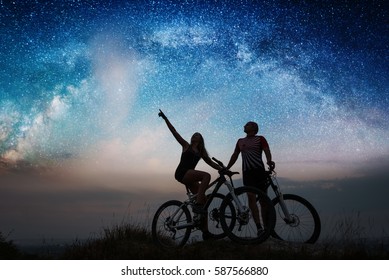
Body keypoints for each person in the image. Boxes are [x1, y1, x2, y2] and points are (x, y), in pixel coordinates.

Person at [158, 109, 222, 239]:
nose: (194, 135)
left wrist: (223, 169)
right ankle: (197, 205)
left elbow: (211, 163)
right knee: (206, 176)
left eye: (197, 134)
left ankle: (205, 232)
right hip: (182, 173)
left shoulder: (201, 152)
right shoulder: (186, 145)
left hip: (190, 176)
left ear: (200, 139)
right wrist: (165, 119)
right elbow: (174, 132)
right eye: (193, 134)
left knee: (204, 203)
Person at [226, 121, 275, 235]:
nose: (244, 125)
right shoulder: (240, 141)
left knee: (263, 200)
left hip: (259, 172)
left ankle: (267, 228)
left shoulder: (260, 139)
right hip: (247, 173)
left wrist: (269, 160)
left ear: (254, 128)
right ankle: (259, 228)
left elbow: (267, 150)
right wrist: (227, 167)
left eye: (247, 124)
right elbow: (235, 155)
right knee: (251, 198)